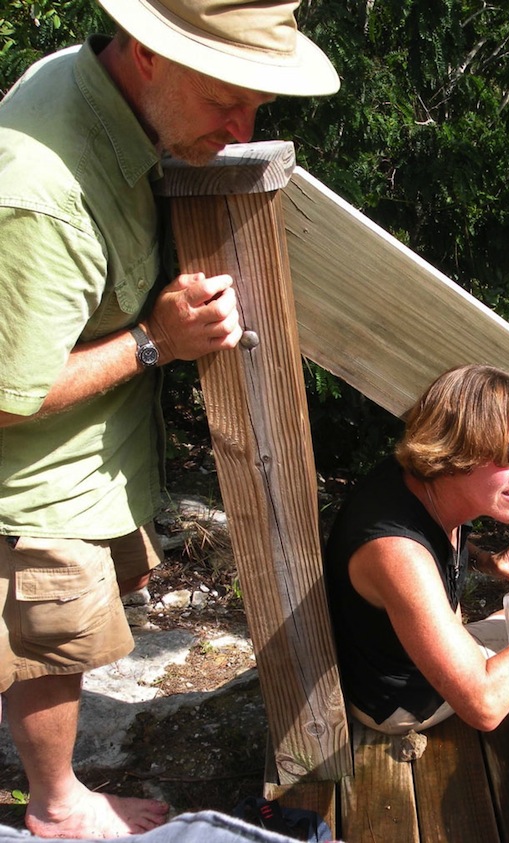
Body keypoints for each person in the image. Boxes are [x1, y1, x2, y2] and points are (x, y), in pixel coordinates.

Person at [0, 1, 339, 838]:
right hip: (36, 483)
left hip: (92, 455)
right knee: (48, 644)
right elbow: (6, 396)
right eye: (227, 96)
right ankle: (55, 804)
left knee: (59, 632)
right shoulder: (38, 194)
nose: (242, 125)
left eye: (258, 104)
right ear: (147, 54)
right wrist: (155, 340)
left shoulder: (99, 93)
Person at [324, 364, 509, 734]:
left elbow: (431, 542)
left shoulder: (422, 484)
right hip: (402, 702)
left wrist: (486, 560)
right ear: (455, 451)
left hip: (410, 657)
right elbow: (485, 707)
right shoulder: (396, 551)